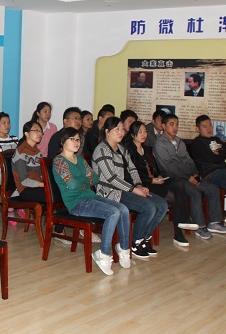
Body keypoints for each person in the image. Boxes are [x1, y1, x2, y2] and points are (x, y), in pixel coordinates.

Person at [53, 127, 131, 276]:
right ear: (63, 141)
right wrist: (85, 180)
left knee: (123, 209)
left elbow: (95, 178)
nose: (76, 142)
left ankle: (123, 248)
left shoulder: (80, 159)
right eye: (72, 139)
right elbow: (73, 185)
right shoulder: (59, 161)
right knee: (113, 213)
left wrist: (81, 181)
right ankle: (103, 254)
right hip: (76, 203)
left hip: (91, 197)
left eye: (78, 139)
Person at [92, 118, 168, 259]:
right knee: (148, 207)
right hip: (110, 192)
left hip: (125, 189)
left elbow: (132, 170)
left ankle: (143, 238)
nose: (121, 132)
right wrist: (134, 189)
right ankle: (135, 241)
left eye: (122, 129)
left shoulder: (122, 149)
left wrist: (139, 185)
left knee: (162, 205)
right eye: (117, 129)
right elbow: (111, 178)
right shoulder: (101, 150)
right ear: (107, 131)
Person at [153, 113, 226, 241]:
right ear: (163, 126)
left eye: (176, 124)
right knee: (195, 192)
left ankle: (214, 222)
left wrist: (195, 173)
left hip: (187, 176)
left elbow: (188, 160)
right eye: (171, 124)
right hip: (172, 179)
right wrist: (188, 177)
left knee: (212, 188)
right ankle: (200, 227)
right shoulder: (160, 144)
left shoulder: (179, 141)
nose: (175, 127)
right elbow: (169, 167)